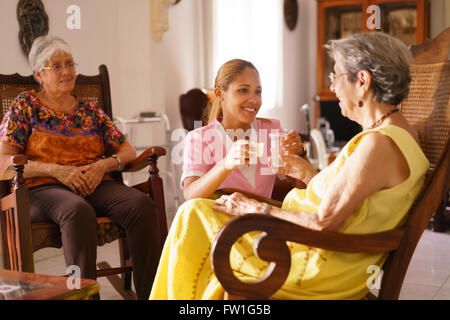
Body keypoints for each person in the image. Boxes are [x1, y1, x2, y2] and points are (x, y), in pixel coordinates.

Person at [150, 32, 430, 300]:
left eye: (335, 76)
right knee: (195, 211)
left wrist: (258, 209)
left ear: (363, 81)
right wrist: (306, 172)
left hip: (315, 263)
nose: (332, 87)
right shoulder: (393, 134)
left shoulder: (377, 144)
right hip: (312, 248)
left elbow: (323, 222)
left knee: (192, 215)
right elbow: (350, 199)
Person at [0, 35, 161, 300]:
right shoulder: (23, 107)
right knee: (77, 210)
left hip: (95, 182)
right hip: (43, 189)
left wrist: (102, 166)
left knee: (140, 205)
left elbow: (127, 151)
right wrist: (55, 170)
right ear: (39, 74)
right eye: (57, 66)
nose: (66, 71)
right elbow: (4, 162)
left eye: (69, 64)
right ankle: (86, 297)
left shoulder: (90, 110)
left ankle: (152, 294)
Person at [181, 58, 305, 200]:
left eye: (258, 92)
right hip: (220, 221)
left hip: (261, 219)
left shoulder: (271, 130)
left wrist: (300, 155)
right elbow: (190, 195)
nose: (254, 99)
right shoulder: (199, 137)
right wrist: (226, 164)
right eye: (243, 90)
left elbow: (303, 187)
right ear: (220, 93)